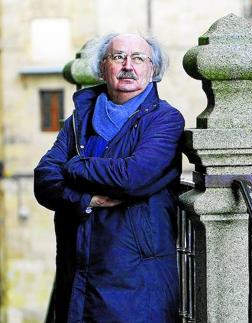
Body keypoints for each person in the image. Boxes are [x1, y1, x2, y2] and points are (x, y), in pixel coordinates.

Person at [34, 33, 184, 322]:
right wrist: (85, 198)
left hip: (135, 282)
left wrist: (75, 166)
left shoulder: (165, 119)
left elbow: (133, 176)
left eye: (139, 58)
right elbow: (44, 180)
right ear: (103, 67)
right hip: (77, 275)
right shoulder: (79, 119)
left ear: (152, 69)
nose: (128, 65)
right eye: (118, 57)